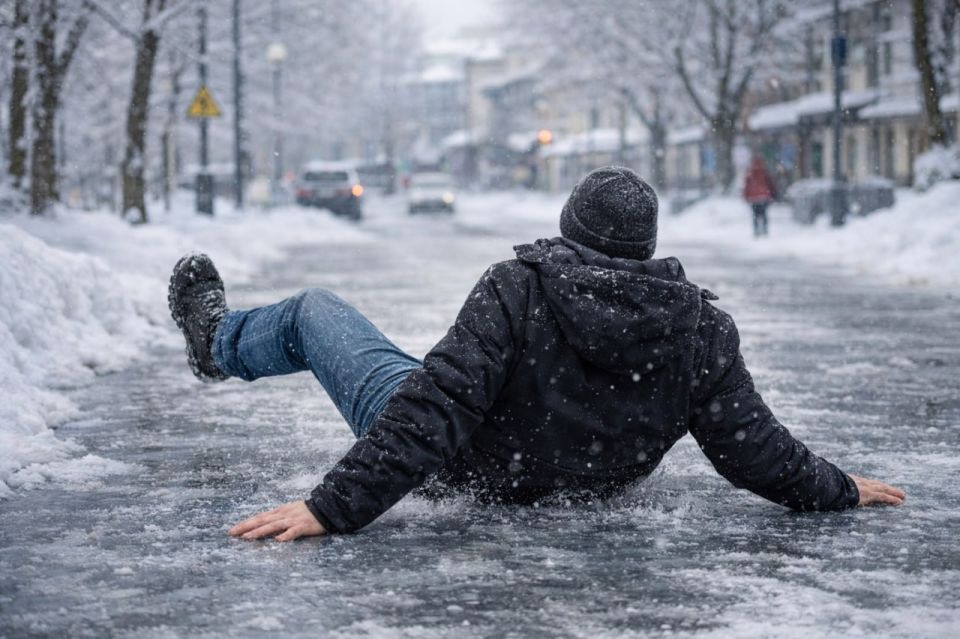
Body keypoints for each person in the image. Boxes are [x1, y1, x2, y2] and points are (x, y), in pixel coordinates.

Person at [168, 166, 905, 542]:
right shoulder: (699, 326)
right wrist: (835, 487)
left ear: (568, 227)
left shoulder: (518, 287)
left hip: (463, 469)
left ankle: (215, 342)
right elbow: (752, 446)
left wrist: (331, 508)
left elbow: (436, 407)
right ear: (646, 245)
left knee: (314, 312)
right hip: (592, 483)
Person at [743, 155, 776, 237]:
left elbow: (747, 185)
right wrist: (772, 194)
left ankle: (756, 230)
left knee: (755, 215)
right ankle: (765, 229)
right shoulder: (764, 171)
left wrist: (746, 195)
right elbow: (770, 184)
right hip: (764, 196)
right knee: (764, 214)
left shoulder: (750, 172)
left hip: (753, 198)